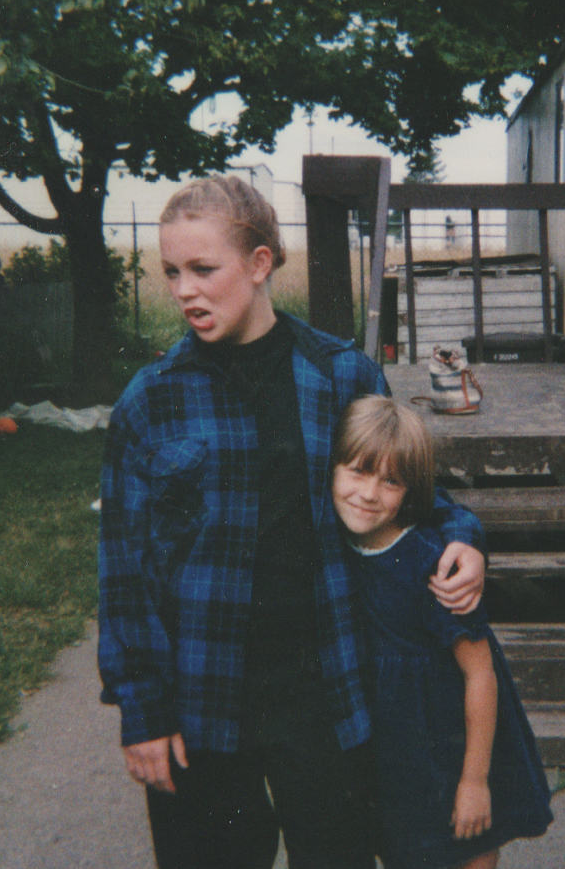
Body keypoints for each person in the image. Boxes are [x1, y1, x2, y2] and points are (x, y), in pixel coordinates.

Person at [98, 175, 487, 869]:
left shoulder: (341, 377)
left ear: (259, 263)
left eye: (203, 269)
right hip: (201, 702)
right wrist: (143, 710)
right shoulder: (150, 402)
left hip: (325, 692)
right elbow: (125, 569)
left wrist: (463, 538)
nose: (184, 290)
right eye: (171, 272)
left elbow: (412, 493)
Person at [332, 395, 553, 869]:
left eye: (390, 481)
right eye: (356, 471)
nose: (369, 493)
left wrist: (474, 781)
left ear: (411, 492)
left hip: (453, 742)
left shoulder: (432, 566)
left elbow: (479, 673)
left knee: (471, 845)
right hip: (396, 753)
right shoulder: (336, 549)